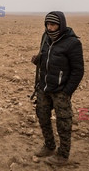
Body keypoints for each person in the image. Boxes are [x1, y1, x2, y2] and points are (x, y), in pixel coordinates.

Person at [31, 11, 84, 165]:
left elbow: (78, 70)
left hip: (61, 90)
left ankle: (63, 155)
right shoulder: (45, 38)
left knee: (64, 123)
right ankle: (49, 146)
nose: (50, 27)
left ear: (61, 24)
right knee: (42, 116)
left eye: (53, 24)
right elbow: (47, 60)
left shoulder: (72, 43)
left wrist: (67, 91)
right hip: (44, 87)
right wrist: (39, 61)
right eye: (47, 24)